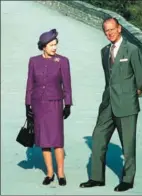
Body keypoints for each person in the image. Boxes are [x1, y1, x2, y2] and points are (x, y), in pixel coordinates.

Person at [79, 17, 142, 192]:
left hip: (126, 104)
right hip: (108, 104)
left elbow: (141, 76)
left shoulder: (132, 50)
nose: (109, 33)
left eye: (112, 29)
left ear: (119, 28)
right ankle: (96, 178)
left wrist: (134, 93)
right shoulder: (104, 51)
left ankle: (127, 179)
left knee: (128, 144)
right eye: (106, 30)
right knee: (98, 137)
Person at [25, 28, 72, 186]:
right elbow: (30, 84)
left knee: (57, 140)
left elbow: (67, 84)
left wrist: (68, 104)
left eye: (56, 44)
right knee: (44, 140)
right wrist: (27, 105)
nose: (55, 47)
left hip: (55, 104)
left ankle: (61, 173)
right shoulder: (33, 61)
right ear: (43, 46)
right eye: (51, 45)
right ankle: (50, 173)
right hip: (38, 104)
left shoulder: (63, 61)